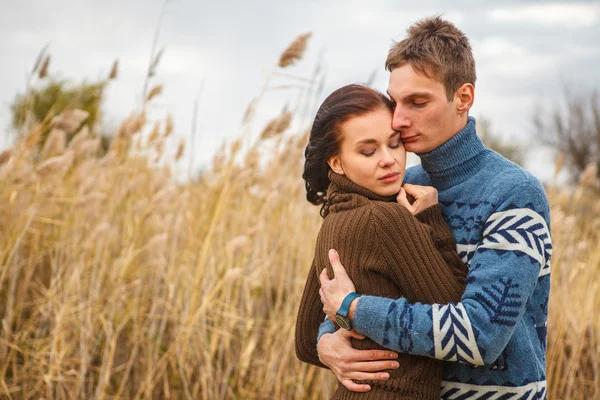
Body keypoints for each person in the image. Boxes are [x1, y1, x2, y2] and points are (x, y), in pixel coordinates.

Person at [312, 16, 552, 399]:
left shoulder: (514, 193)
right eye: (396, 102)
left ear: (464, 98)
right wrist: (327, 341)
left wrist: (356, 310)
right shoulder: (400, 187)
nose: (399, 119)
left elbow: (480, 336)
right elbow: (344, 289)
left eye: (417, 102)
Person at [295, 83, 469, 399]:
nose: (388, 160)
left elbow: (306, 342)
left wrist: (329, 347)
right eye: (368, 150)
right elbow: (459, 323)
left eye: (394, 143)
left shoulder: (332, 223)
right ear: (335, 162)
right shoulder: (385, 219)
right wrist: (432, 222)